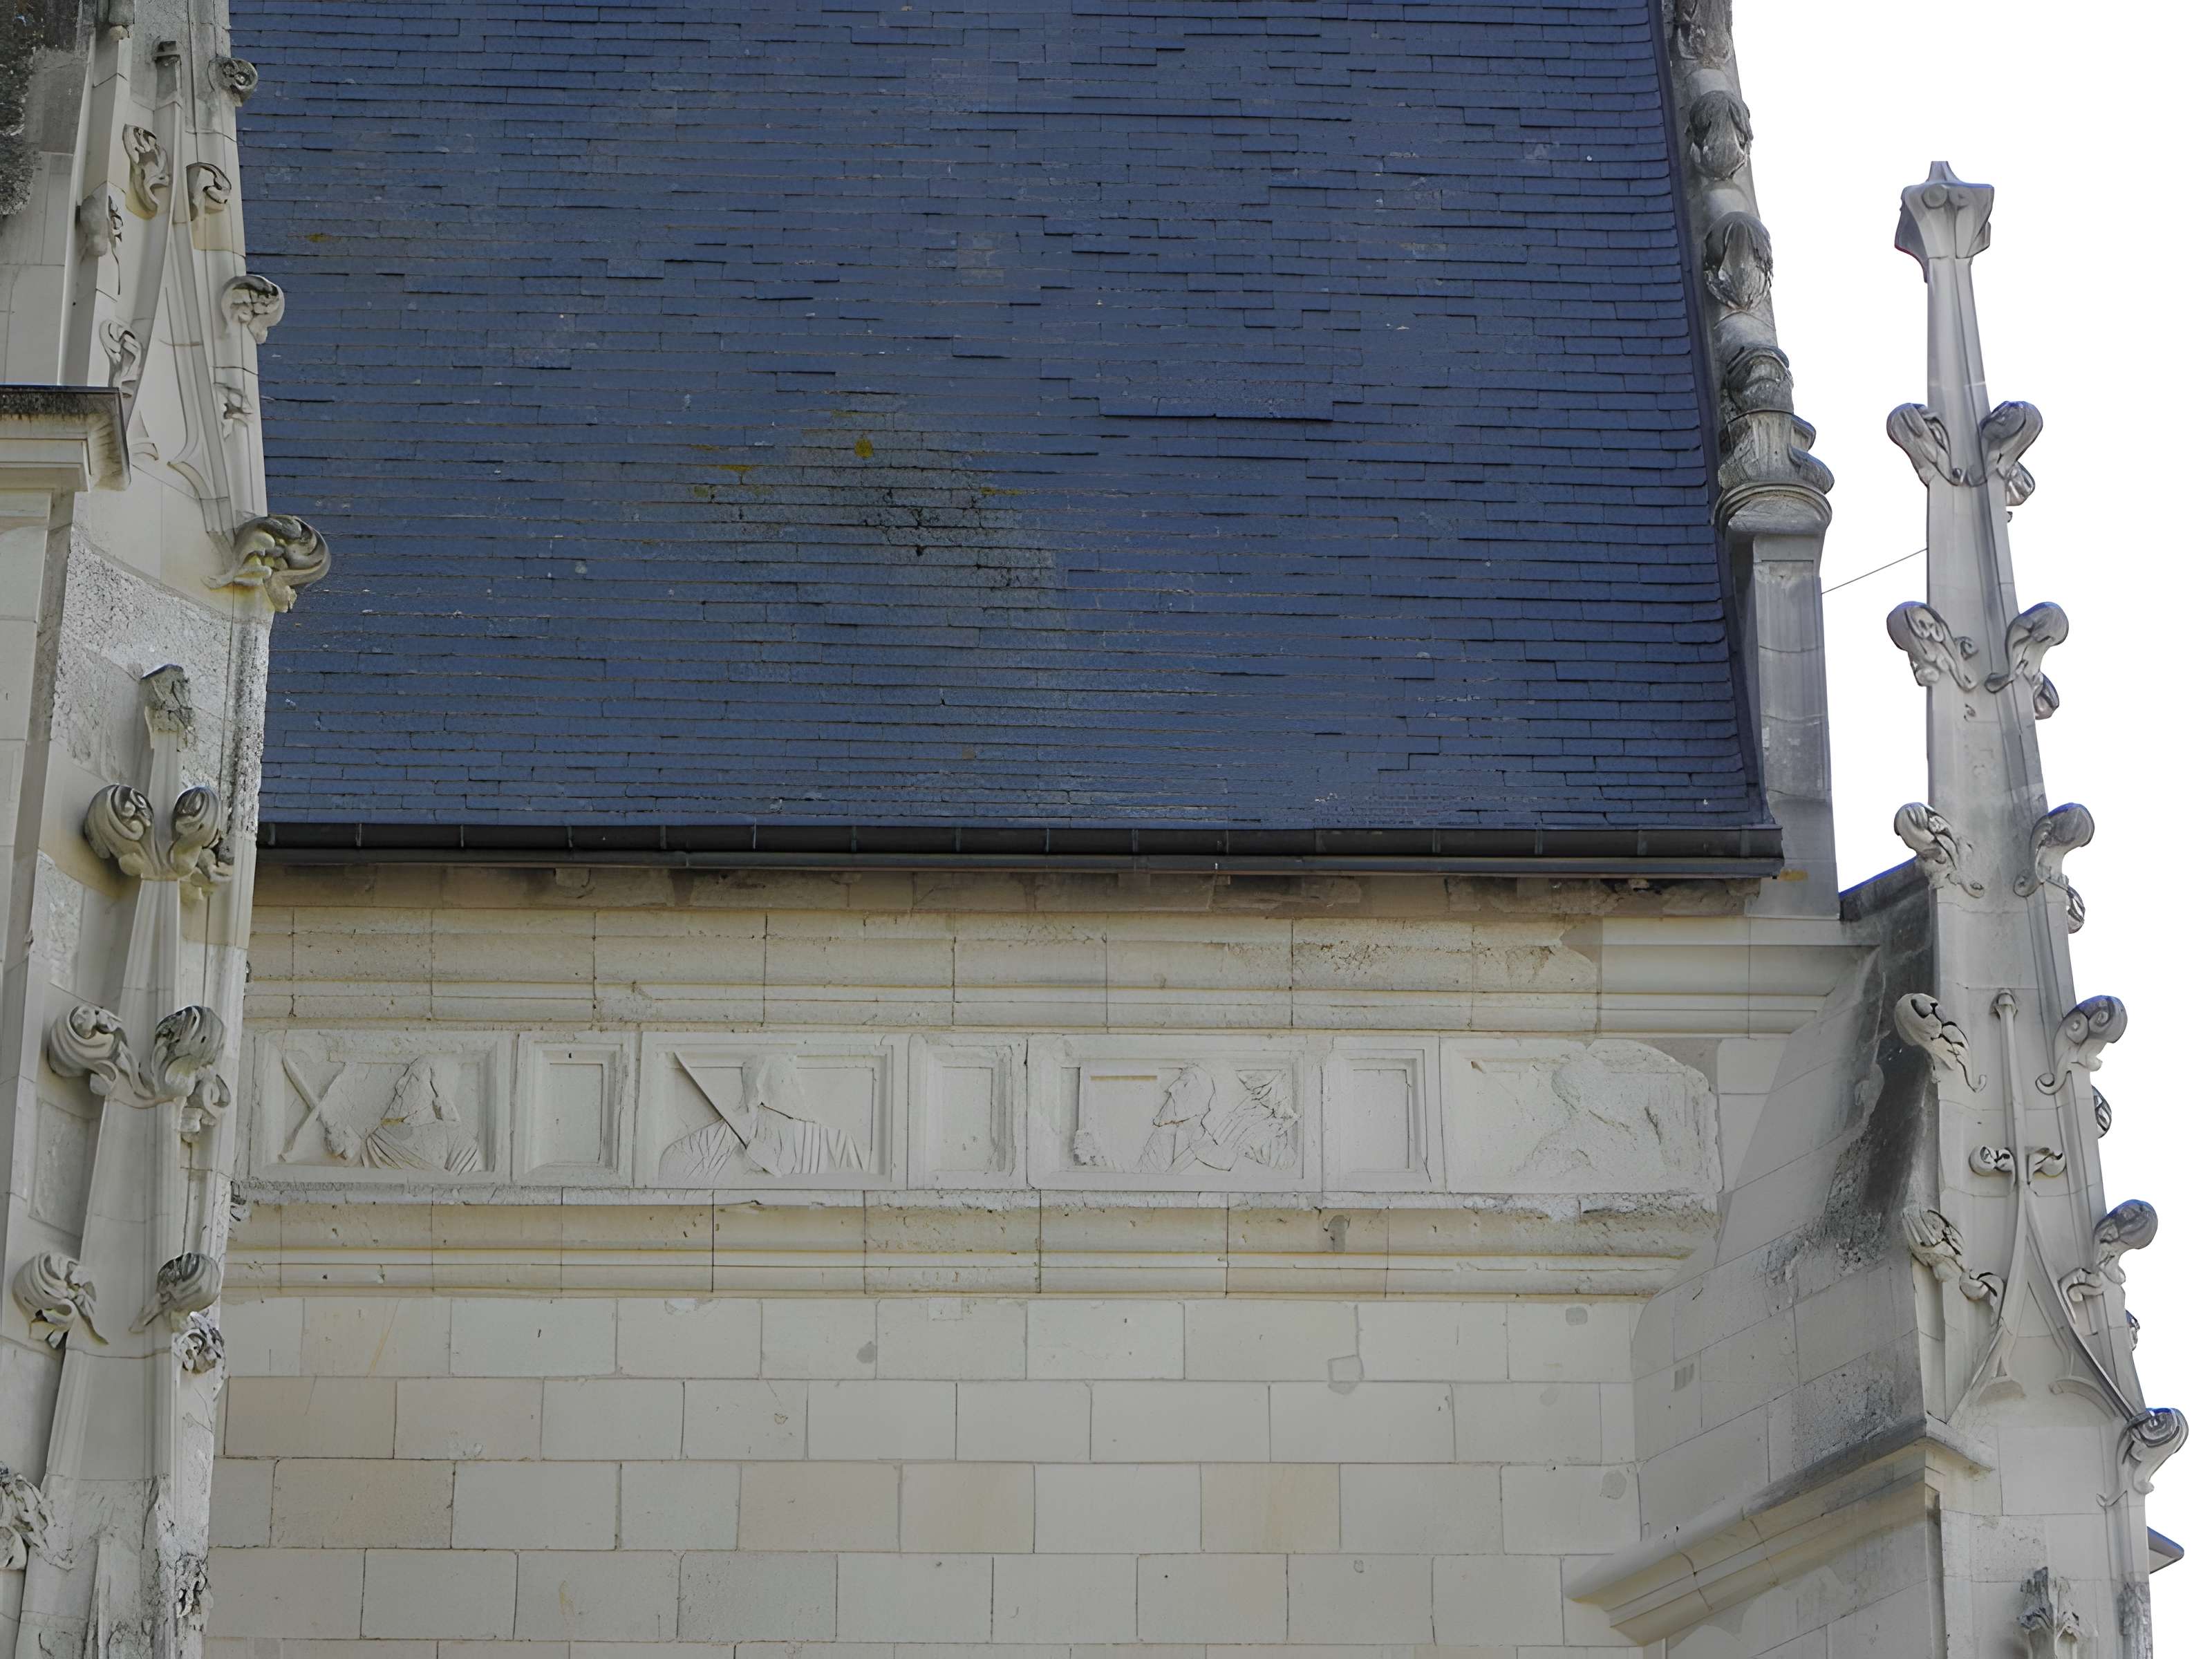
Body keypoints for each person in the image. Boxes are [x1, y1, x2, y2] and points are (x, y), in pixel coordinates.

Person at [660, 1053, 864, 1183]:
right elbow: (674, 1166)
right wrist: (740, 1166)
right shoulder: (723, 1135)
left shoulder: (835, 1142)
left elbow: (854, 1179)